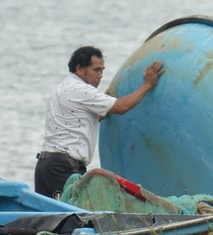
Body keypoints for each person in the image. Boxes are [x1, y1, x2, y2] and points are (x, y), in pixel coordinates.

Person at [34, 45, 164, 198]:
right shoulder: (81, 90)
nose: (100, 75)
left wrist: (103, 107)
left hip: (45, 165)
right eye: (96, 70)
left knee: (49, 218)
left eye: (102, 70)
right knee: (78, 216)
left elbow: (80, 121)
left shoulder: (60, 89)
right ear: (80, 68)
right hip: (64, 167)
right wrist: (147, 85)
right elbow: (122, 107)